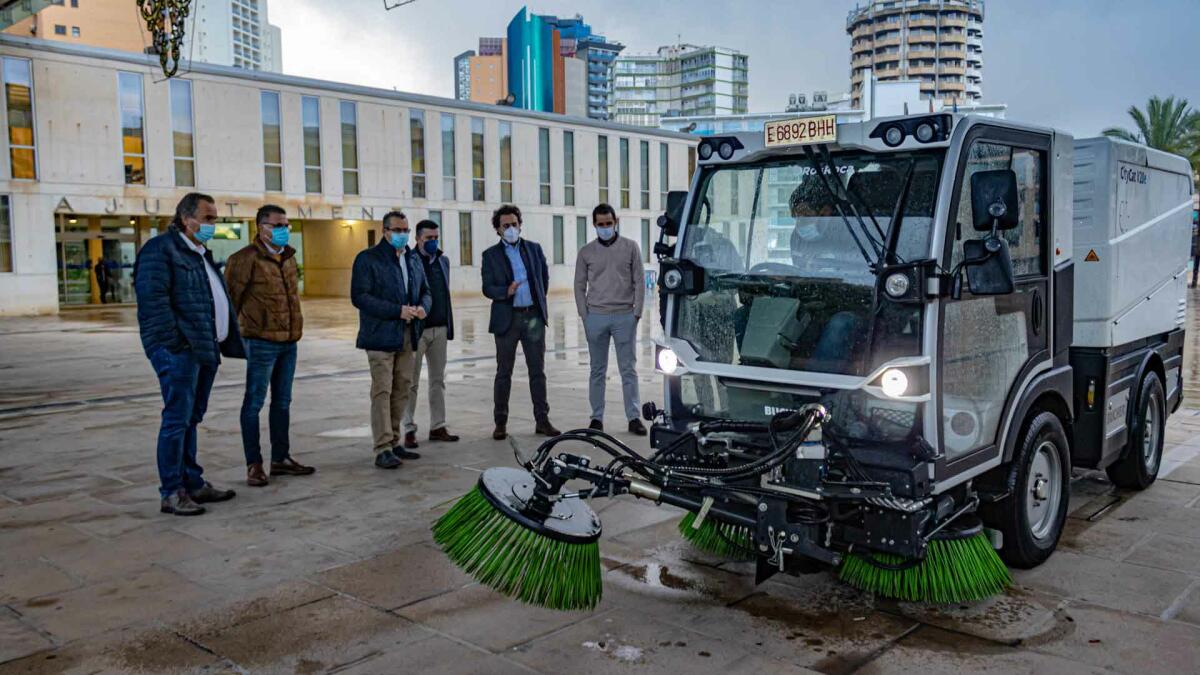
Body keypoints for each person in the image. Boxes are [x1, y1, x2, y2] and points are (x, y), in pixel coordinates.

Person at [133, 193, 242, 516]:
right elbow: (153, 304)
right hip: (180, 350)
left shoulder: (198, 253)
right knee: (177, 419)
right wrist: (175, 344)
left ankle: (192, 482)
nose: (212, 225)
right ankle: (171, 491)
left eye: (215, 219)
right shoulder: (160, 250)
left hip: (203, 348)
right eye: (208, 219)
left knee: (191, 418)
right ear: (186, 218)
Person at [224, 205, 315, 487]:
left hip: (289, 342)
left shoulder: (287, 257)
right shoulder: (244, 259)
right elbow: (230, 301)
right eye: (278, 225)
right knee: (254, 402)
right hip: (260, 342)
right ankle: (254, 464)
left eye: (286, 225)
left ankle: (281, 458)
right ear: (261, 227)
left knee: (283, 402)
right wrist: (238, 337)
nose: (283, 230)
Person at [351, 211, 431, 469]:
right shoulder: (368, 259)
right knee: (382, 391)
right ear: (385, 231)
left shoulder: (413, 259)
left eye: (405, 230)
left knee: (402, 389)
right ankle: (382, 446)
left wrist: (423, 308)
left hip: (408, 334)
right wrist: (396, 310)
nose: (403, 235)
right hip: (380, 336)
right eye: (397, 230)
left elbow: (426, 291)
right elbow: (360, 297)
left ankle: (395, 440)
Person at [481, 205, 560, 440]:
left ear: (520, 224)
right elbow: (487, 287)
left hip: (533, 317)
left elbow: (543, 278)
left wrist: (536, 303)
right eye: (506, 225)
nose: (511, 229)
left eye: (514, 224)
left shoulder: (533, 249)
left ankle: (542, 420)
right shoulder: (490, 255)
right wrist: (506, 291)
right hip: (508, 318)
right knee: (504, 372)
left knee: (537, 370)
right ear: (498, 229)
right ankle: (500, 422)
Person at [574, 203, 647, 435]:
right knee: (597, 370)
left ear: (616, 222)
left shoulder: (631, 248)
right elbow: (578, 285)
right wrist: (585, 315)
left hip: (625, 316)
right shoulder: (586, 252)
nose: (605, 228)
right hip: (596, 316)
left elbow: (639, 281)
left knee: (628, 370)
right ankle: (596, 418)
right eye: (600, 224)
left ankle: (633, 417)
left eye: (609, 223)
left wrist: (637, 312)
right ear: (594, 225)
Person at [400, 219, 460, 449]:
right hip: (417, 330)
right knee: (410, 382)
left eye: (436, 238)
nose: (433, 242)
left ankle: (438, 426)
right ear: (417, 239)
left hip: (440, 329)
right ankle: (408, 428)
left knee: (438, 380)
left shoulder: (443, 261)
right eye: (428, 239)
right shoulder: (409, 260)